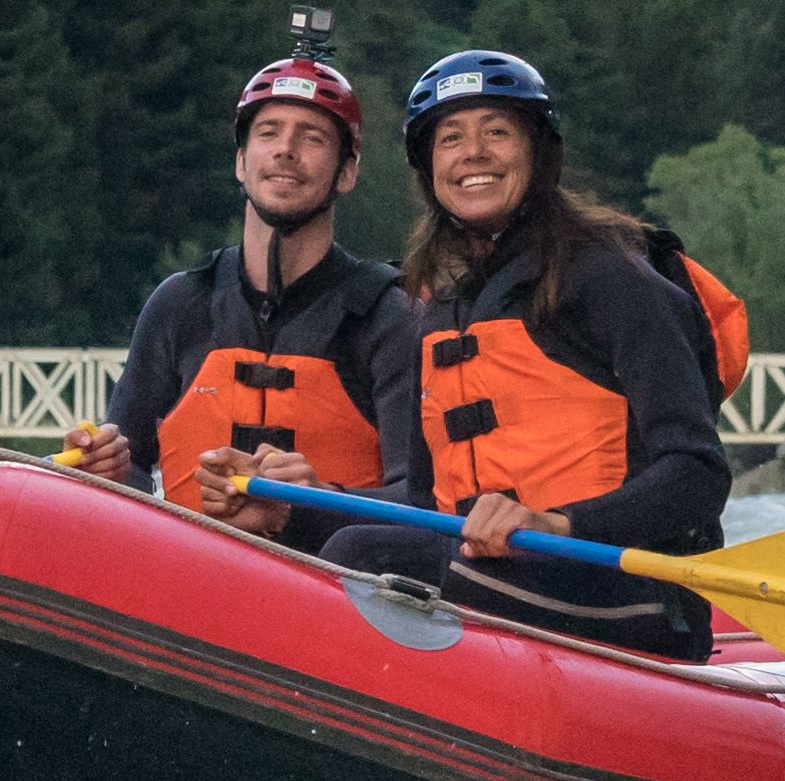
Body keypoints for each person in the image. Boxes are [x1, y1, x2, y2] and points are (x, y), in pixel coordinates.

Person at [310, 49, 734, 659]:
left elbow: (697, 475)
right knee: (329, 538)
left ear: (538, 153)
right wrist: (298, 501)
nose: (473, 153)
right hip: (495, 573)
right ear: (428, 168)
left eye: (497, 132)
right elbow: (424, 504)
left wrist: (557, 525)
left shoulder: (614, 278)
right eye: (450, 138)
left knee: (362, 558)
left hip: (630, 592)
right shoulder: (439, 308)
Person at [69, 44, 428, 551]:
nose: (286, 150)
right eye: (269, 133)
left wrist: (314, 500)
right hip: (186, 582)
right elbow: (131, 472)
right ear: (241, 162)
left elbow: (421, 499)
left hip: (334, 593)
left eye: (313, 137)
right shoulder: (180, 305)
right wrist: (101, 469)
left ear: (347, 172)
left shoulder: (389, 317)